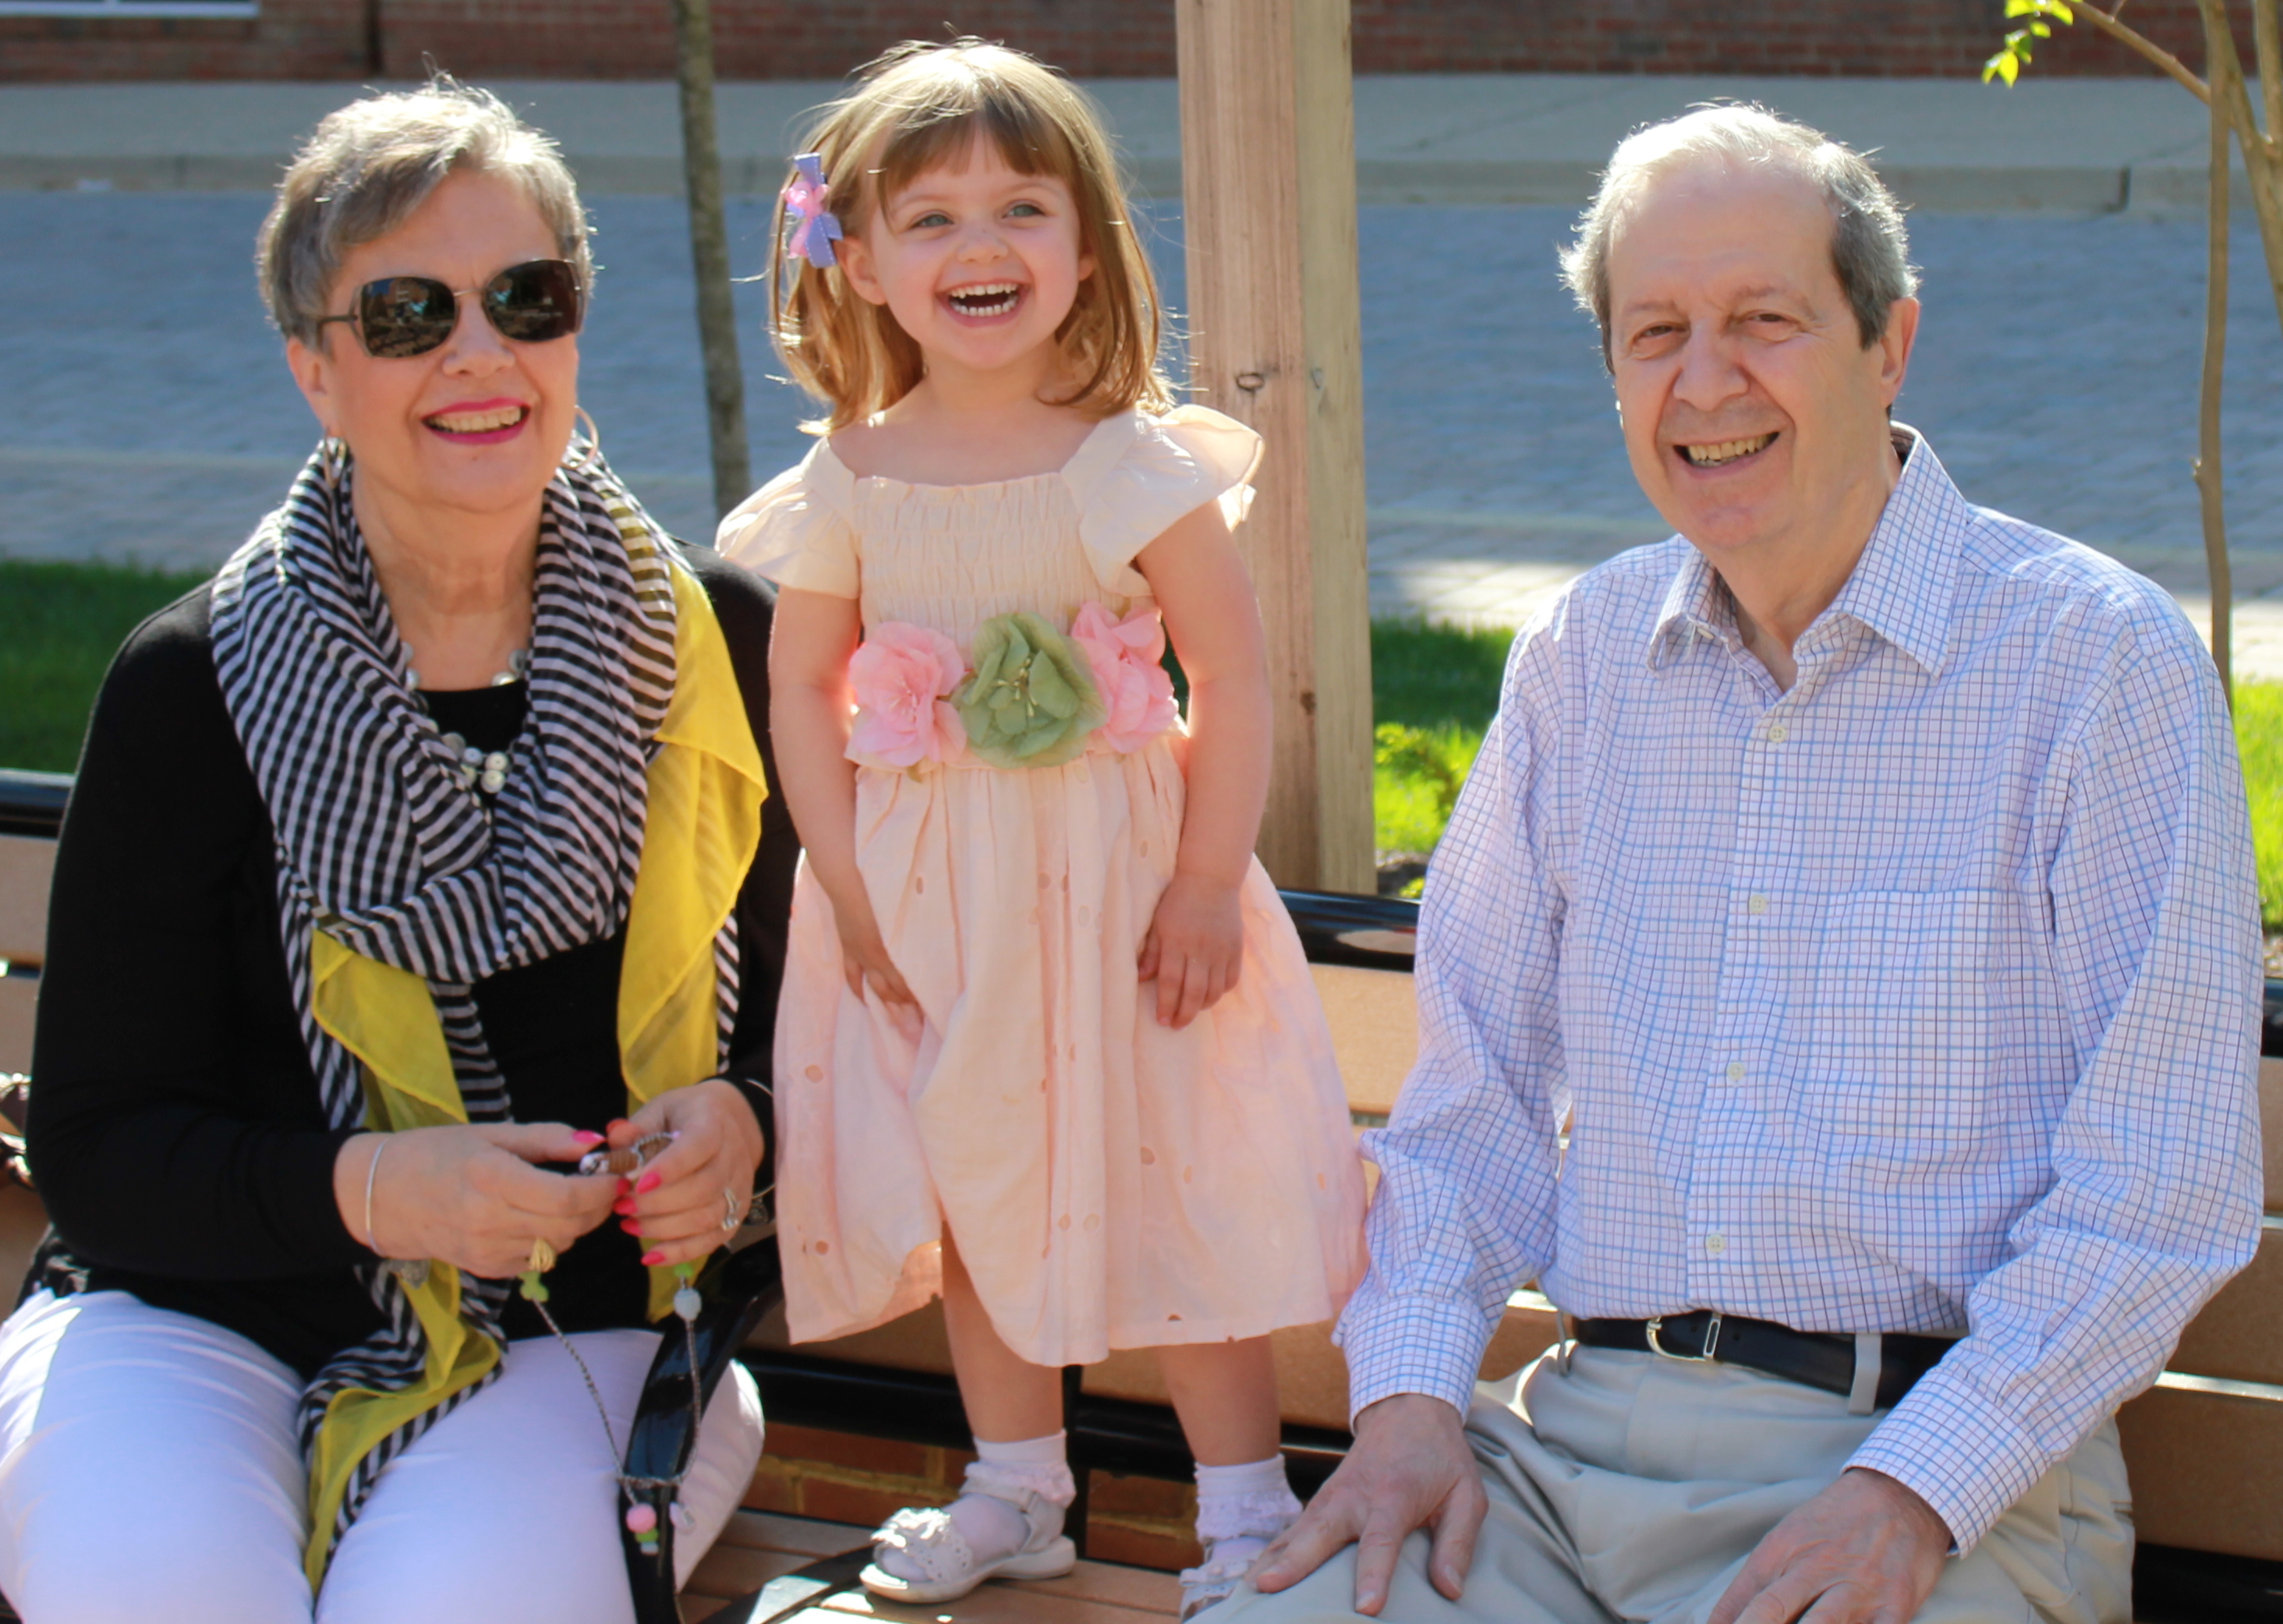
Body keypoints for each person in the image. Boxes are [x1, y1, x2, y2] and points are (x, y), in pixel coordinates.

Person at [1218, 104, 2265, 1624]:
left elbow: (2158, 1188)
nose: (1705, 382)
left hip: (1935, 1473)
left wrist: (1918, 1488)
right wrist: (1407, 1406)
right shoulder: (1582, 658)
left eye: (1764, 320)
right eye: (1655, 334)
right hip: (1566, 1459)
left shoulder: (2093, 664)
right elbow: (1470, 1108)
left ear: (1889, 344)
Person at [0, 80, 801, 1623]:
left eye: (525, 298)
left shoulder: (721, 648)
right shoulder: (196, 684)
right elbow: (98, 1143)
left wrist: (752, 1126)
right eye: (410, 313)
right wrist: (370, 1191)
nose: (479, 352)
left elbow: (839, 1032)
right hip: (183, 1314)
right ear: (316, 368)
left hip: (575, 1335)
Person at [718, 40, 1368, 1622]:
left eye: (1022, 206)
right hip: (932, 904)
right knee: (973, 1176)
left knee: (1177, 1172)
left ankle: (1242, 1512)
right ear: (859, 262)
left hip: (1128, 901)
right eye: (931, 218)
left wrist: (1206, 883)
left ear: (1085, 248)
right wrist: (844, 884)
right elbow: (800, 685)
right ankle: (1019, 1487)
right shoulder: (851, 479)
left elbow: (1228, 673)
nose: (982, 244)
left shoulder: (1124, 463)